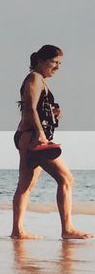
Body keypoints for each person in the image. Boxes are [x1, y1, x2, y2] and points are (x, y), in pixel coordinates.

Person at [11, 45, 90, 241]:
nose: (57, 67)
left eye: (59, 64)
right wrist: (40, 134)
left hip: (28, 137)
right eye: (54, 62)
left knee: (25, 186)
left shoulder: (40, 81)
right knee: (66, 179)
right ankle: (67, 229)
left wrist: (52, 114)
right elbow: (29, 109)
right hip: (33, 138)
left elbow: (37, 108)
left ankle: (17, 231)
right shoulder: (34, 79)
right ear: (41, 61)